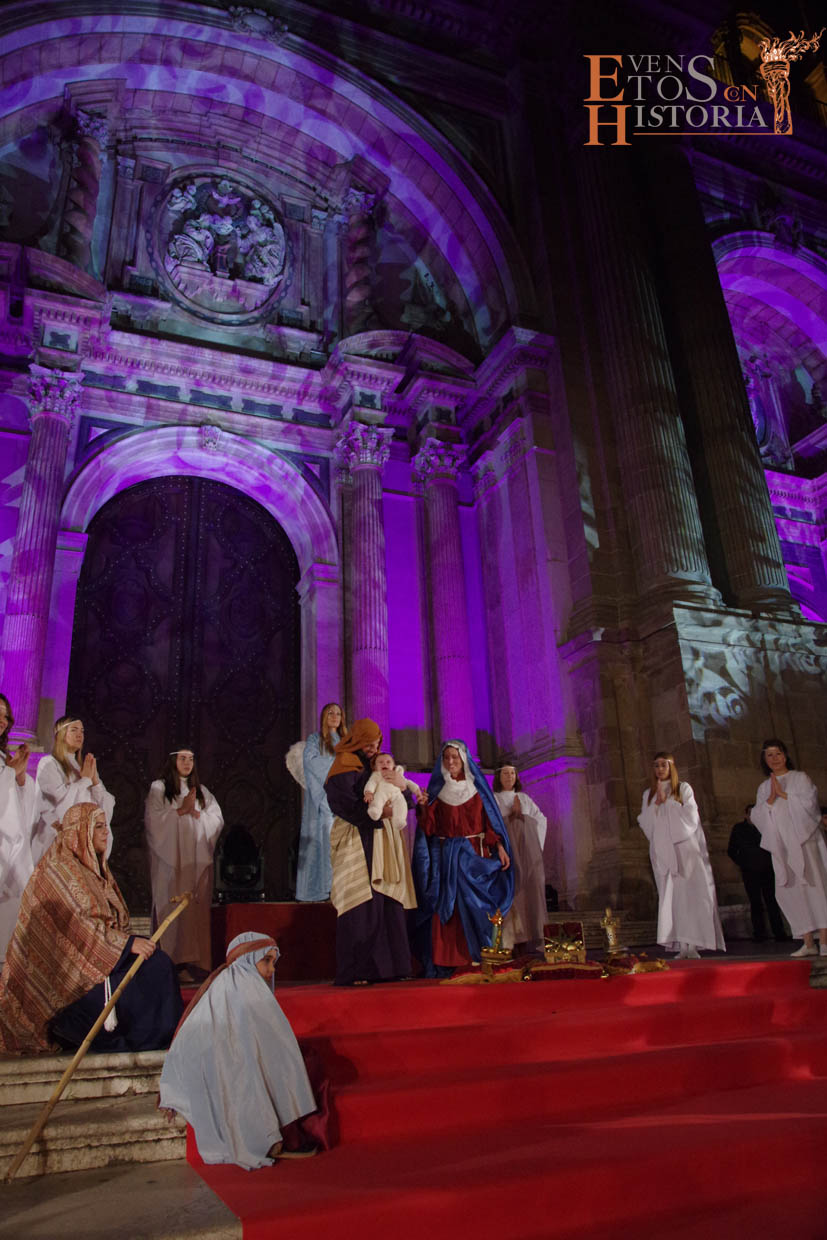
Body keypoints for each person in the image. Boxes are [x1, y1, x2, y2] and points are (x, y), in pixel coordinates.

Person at [0, 803, 181, 1055]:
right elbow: (78, 928)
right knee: (153, 969)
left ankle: (154, 1039)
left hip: (101, 958)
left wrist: (127, 942)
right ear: (79, 831)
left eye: (106, 826)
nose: (106, 832)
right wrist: (127, 945)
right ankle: (114, 1036)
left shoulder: (94, 870)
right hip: (69, 982)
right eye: (98, 827)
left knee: (157, 964)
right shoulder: (58, 871)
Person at [160, 931, 330, 1169]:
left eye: (274, 962)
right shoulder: (242, 983)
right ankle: (268, 1137)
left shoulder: (234, 982)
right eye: (266, 961)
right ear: (246, 960)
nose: (271, 970)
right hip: (222, 1066)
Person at [325, 719, 419, 986]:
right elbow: (342, 803)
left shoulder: (379, 763)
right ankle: (358, 970)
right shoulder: (344, 764)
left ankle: (393, 967)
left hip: (383, 839)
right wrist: (378, 814)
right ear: (357, 740)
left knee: (387, 898)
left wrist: (403, 788)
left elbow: (401, 796)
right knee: (360, 900)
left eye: (376, 744)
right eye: (368, 744)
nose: (373, 749)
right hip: (357, 837)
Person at [413, 740, 513, 976]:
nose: (450, 762)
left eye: (455, 757)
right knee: (450, 909)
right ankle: (449, 961)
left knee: (475, 905)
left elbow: (490, 823)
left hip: (474, 857)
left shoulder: (477, 790)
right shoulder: (437, 792)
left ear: (464, 760)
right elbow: (429, 829)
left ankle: (480, 956)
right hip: (447, 860)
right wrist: (423, 808)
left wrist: (499, 846)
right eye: (446, 757)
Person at [145, 748, 224, 982]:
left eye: (191, 759)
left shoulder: (201, 791)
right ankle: (169, 964)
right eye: (182, 758)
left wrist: (196, 814)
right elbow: (154, 820)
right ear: (173, 760)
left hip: (194, 862)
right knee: (170, 907)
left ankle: (193, 965)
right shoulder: (159, 788)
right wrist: (181, 811)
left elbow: (216, 819)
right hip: (170, 861)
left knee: (193, 912)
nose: (187, 763)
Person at [637, 752, 725, 959]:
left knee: (690, 895)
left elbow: (691, 816)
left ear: (671, 767)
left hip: (685, 850)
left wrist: (668, 803)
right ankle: (681, 943)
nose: (660, 769)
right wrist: (656, 805)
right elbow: (646, 823)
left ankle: (693, 943)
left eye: (663, 765)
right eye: (656, 765)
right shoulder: (648, 794)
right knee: (672, 898)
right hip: (663, 852)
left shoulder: (683, 788)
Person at [750, 738, 827, 958]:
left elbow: (810, 805)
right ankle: (807, 941)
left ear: (785, 755)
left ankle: (824, 941)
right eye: (769, 755)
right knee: (792, 892)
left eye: (778, 753)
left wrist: (785, 795)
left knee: (815, 888)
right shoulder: (764, 787)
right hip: (782, 846)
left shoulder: (800, 778)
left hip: (806, 844)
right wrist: (770, 799)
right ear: (765, 760)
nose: (774, 758)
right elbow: (757, 816)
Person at [32, 715, 115, 866]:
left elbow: (105, 806)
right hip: (55, 839)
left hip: (82, 843)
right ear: (61, 734)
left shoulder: (81, 767)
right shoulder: (49, 763)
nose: (79, 735)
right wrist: (85, 781)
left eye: (82, 731)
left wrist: (95, 782)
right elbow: (61, 803)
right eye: (74, 730)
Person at [294, 703, 346, 902]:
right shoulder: (315, 740)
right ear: (324, 716)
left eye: (338, 713)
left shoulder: (346, 741)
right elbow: (311, 762)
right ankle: (324, 887)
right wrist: (337, 766)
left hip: (344, 798)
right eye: (330, 713)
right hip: (323, 797)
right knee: (324, 838)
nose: (335, 716)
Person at [493, 764, 547, 953]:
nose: (509, 776)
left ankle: (535, 936)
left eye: (512, 773)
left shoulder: (524, 799)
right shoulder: (495, 799)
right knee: (513, 889)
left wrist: (522, 817)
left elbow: (541, 820)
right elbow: (492, 824)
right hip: (509, 848)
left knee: (533, 887)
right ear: (499, 777)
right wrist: (511, 819)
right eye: (505, 773)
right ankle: (512, 939)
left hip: (527, 848)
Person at [0, 693, 37, 962]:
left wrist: (20, 777)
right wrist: (10, 774)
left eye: (5, 716)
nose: (3, 721)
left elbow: (18, 805)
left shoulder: (4, 758)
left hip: (8, 848)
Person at [727, 803, 789, 943]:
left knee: (771, 901)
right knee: (755, 902)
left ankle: (779, 933)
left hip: (767, 869)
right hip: (750, 871)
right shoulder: (738, 829)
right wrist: (743, 862)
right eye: (750, 814)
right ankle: (759, 934)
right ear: (746, 815)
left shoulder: (764, 827)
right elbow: (731, 850)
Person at [364, 752, 422, 830]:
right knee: (377, 800)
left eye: (388, 762)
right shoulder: (377, 775)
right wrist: (368, 792)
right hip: (382, 793)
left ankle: (399, 820)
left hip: (396, 795)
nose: (384, 764)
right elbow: (371, 783)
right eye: (380, 762)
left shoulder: (397, 775)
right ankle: (375, 811)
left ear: (393, 766)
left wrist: (417, 791)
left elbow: (408, 782)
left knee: (402, 805)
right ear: (375, 767)